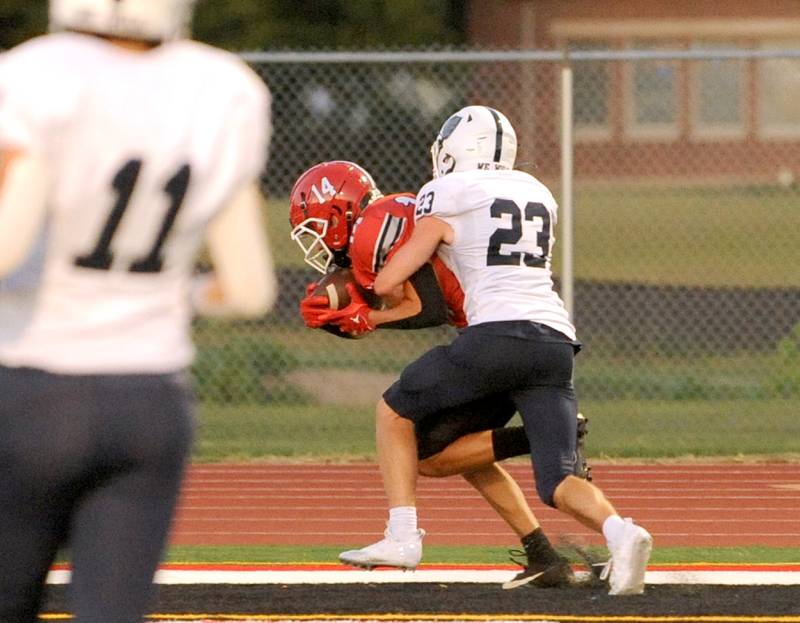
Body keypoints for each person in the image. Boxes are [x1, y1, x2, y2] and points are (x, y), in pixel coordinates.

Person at [0, 1, 276, 621]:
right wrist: (172, 294)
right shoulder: (223, 87)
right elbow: (250, 290)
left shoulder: (35, 73)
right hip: (150, 403)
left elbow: (6, 247)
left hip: (30, 389)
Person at [341, 106, 653, 596]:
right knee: (557, 483)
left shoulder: (443, 193)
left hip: (495, 337)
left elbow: (392, 277)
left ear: (455, 151)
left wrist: (369, 296)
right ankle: (623, 533)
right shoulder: (537, 192)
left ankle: (402, 537)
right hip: (554, 343)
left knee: (392, 412)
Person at [290, 160, 591, 588]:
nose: (315, 241)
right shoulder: (383, 221)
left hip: (492, 339)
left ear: (338, 213)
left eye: (316, 226)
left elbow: (426, 308)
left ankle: (405, 534)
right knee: (459, 453)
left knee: (413, 435)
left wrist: (368, 319)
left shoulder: (378, 226)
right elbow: (418, 297)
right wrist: (354, 317)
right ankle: (542, 554)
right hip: (496, 335)